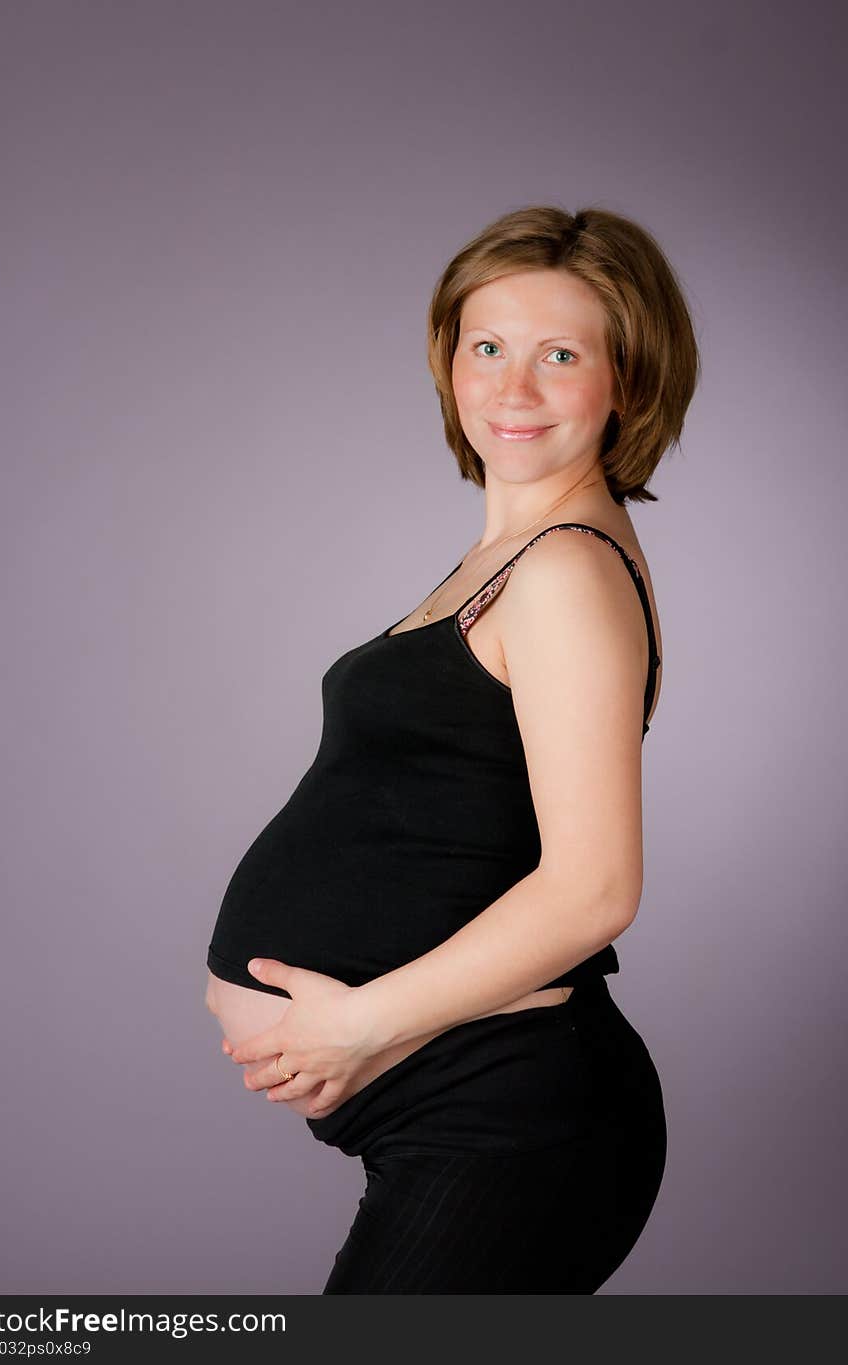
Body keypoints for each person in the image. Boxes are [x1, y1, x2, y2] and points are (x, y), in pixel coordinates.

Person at [204, 204, 700, 1293]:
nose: (511, 390)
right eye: (487, 348)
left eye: (559, 355)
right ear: (448, 361)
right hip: (464, 1111)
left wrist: (358, 1026)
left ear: (630, 378)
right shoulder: (511, 557)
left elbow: (594, 889)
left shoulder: (564, 571)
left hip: (507, 1120)